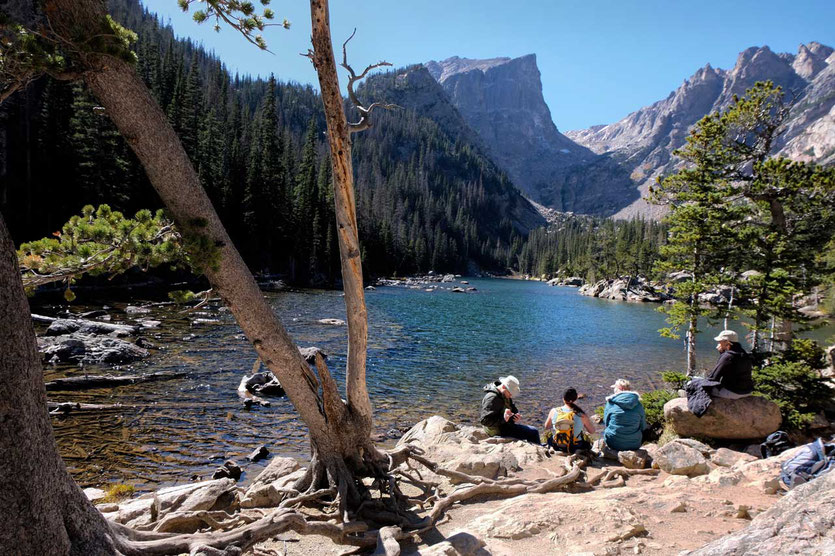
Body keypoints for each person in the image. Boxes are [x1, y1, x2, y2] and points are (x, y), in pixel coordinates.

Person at [479, 375, 541, 444]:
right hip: (497, 430)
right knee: (534, 432)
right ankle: (540, 449)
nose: (511, 395)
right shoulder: (492, 398)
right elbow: (485, 421)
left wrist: (515, 416)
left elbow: (512, 407)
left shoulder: (504, 393)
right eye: (510, 393)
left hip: (503, 425)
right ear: (503, 387)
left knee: (533, 431)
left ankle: (538, 447)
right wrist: (504, 419)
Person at [544, 388, 595, 452]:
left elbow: (547, 427)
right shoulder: (581, 415)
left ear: (563, 398)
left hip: (557, 445)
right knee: (587, 444)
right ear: (575, 399)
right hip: (575, 446)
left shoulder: (554, 411)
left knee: (550, 438)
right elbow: (592, 431)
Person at [707, 330, 754, 399]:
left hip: (733, 392)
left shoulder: (727, 356)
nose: (718, 343)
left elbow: (713, 377)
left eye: (720, 341)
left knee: (697, 386)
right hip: (747, 391)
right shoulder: (744, 353)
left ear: (727, 342)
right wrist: (722, 354)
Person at [602, 379, 646, 452]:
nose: (614, 390)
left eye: (615, 388)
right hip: (634, 444)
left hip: (613, 443)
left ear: (620, 389)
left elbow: (606, 422)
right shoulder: (637, 404)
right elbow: (643, 426)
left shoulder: (610, 403)